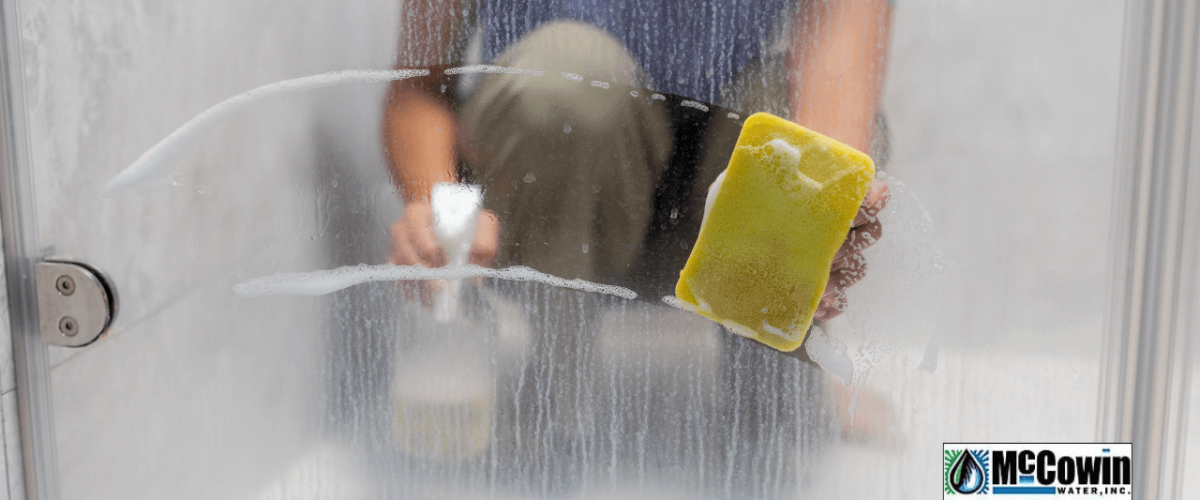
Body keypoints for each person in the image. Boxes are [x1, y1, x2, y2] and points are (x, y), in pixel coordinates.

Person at [380, 0, 896, 492]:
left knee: (801, 148)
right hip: (545, 199)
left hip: (712, 205)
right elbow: (422, 82)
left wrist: (821, 221)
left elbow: (837, 60)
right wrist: (438, 209)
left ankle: (768, 414)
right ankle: (560, 404)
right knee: (565, 77)